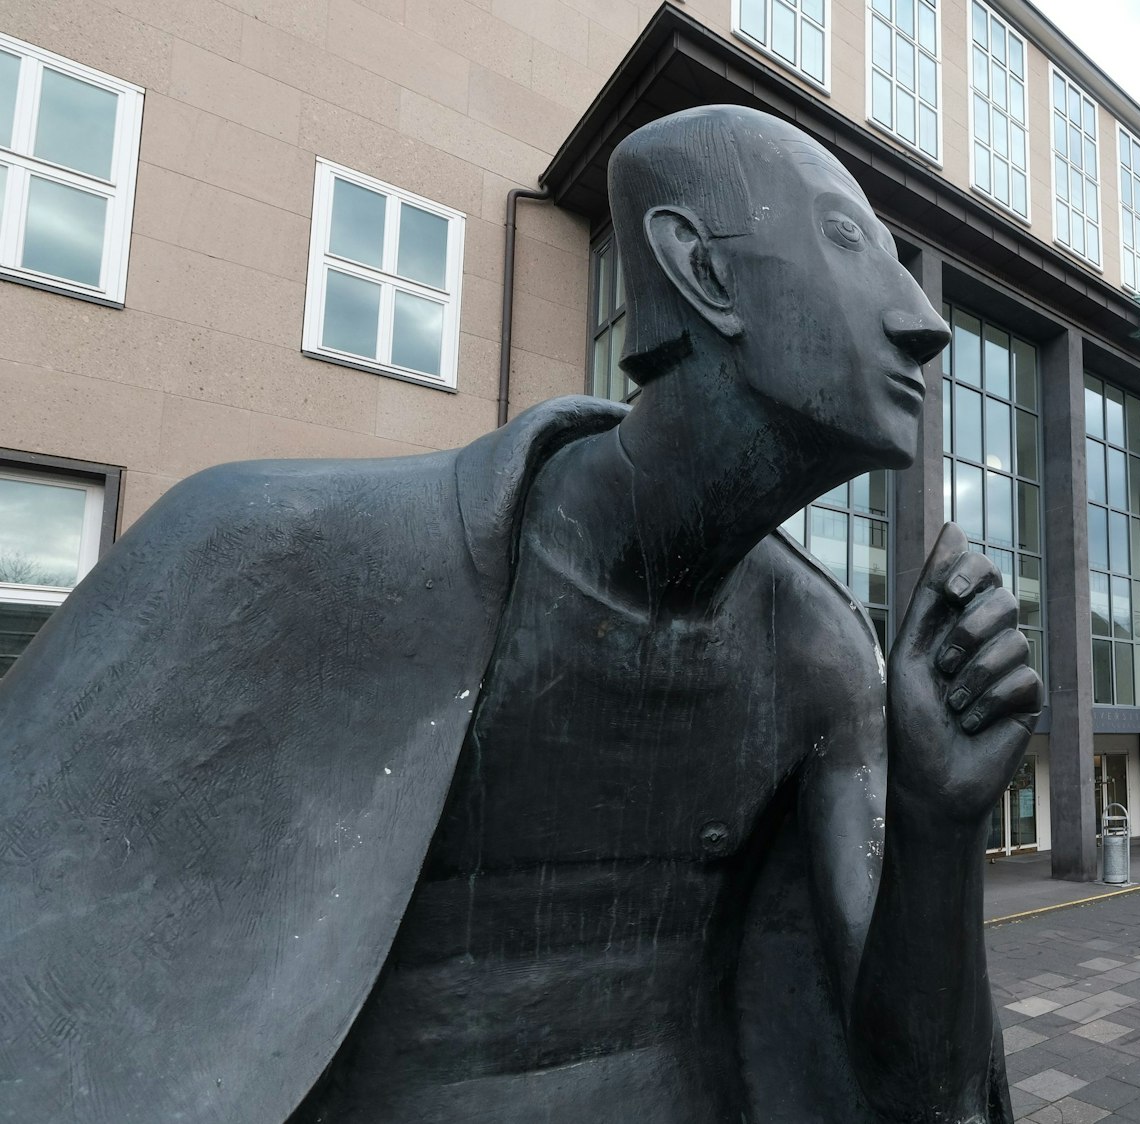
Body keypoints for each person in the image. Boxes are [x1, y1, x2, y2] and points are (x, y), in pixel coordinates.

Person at [0, 106, 1033, 1123]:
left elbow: (920, 1099)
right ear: (703, 271)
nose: (922, 319)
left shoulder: (822, 655)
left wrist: (939, 829)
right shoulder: (269, 551)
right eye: (851, 243)